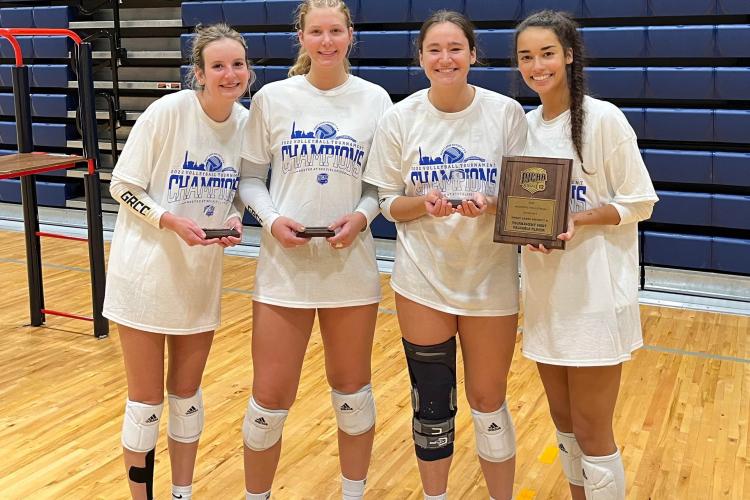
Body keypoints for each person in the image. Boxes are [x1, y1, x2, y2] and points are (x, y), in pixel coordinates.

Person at [363, 10, 527, 500]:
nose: (445, 58)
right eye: (434, 49)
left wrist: (495, 205)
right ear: (421, 58)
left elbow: (524, 202)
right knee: (432, 405)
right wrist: (424, 205)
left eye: (456, 48)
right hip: (422, 281)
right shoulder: (400, 117)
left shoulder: (505, 113)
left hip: (490, 283)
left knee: (488, 402)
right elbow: (388, 203)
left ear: (473, 54)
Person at [236, 1, 392, 498]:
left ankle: (353, 493)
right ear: (300, 38)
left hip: (350, 268)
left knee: (354, 397)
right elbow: (251, 179)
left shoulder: (375, 100)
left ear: (351, 36)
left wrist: (363, 216)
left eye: (336, 31)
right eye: (317, 32)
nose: (327, 41)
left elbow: (379, 186)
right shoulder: (273, 98)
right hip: (285, 271)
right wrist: (274, 220)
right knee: (267, 404)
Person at [102, 23, 251, 500]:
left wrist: (234, 217)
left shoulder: (247, 125)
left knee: (186, 399)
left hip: (198, 279)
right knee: (145, 402)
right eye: (218, 66)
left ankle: (181, 492)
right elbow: (122, 187)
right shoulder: (168, 112)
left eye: (238, 64)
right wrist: (169, 221)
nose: (230, 74)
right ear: (199, 74)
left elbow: (240, 192)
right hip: (144, 277)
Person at [514, 10, 658, 500]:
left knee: (594, 434)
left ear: (569, 55)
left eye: (547, 53)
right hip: (545, 296)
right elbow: (523, 207)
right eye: (526, 56)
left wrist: (579, 219)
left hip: (595, 300)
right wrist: (510, 222)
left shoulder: (605, 119)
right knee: (566, 427)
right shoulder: (525, 125)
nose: (537, 66)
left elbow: (641, 200)